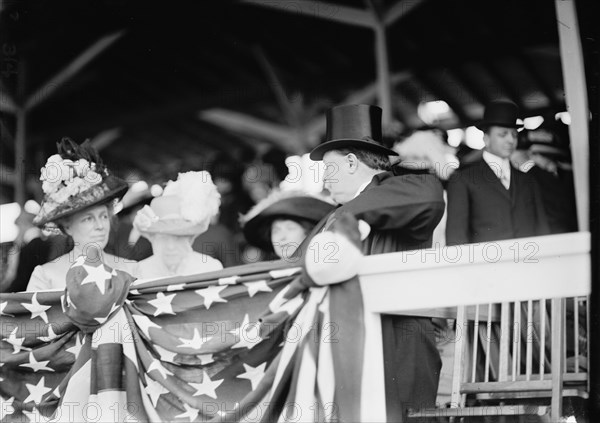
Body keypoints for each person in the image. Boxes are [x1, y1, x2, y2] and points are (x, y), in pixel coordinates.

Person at [306, 103, 446, 422]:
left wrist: (347, 215)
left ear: (353, 163)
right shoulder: (333, 215)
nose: (325, 181)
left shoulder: (393, 190)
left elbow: (431, 196)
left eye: (329, 169)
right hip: (350, 345)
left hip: (398, 343)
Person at [26, 138, 136, 292]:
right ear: (67, 226)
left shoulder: (131, 270)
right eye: (88, 219)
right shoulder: (46, 276)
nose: (100, 226)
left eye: (104, 216)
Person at [445, 100, 550, 246]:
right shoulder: (463, 180)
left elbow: (542, 230)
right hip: (486, 266)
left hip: (528, 265)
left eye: (514, 134)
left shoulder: (528, 180)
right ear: (486, 139)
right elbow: (456, 238)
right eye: (503, 134)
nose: (511, 140)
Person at [132, 171, 223, 279]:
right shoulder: (140, 271)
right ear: (153, 238)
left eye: (178, 238)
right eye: (164, 238)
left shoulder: (209, 268)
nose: (171, 247)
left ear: (190, 238)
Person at [239, 188, 336, 260]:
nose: (282, 237)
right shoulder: (266, 281)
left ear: (308, 233)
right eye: (276, 231)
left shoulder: (325, 271)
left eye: (290, 228)